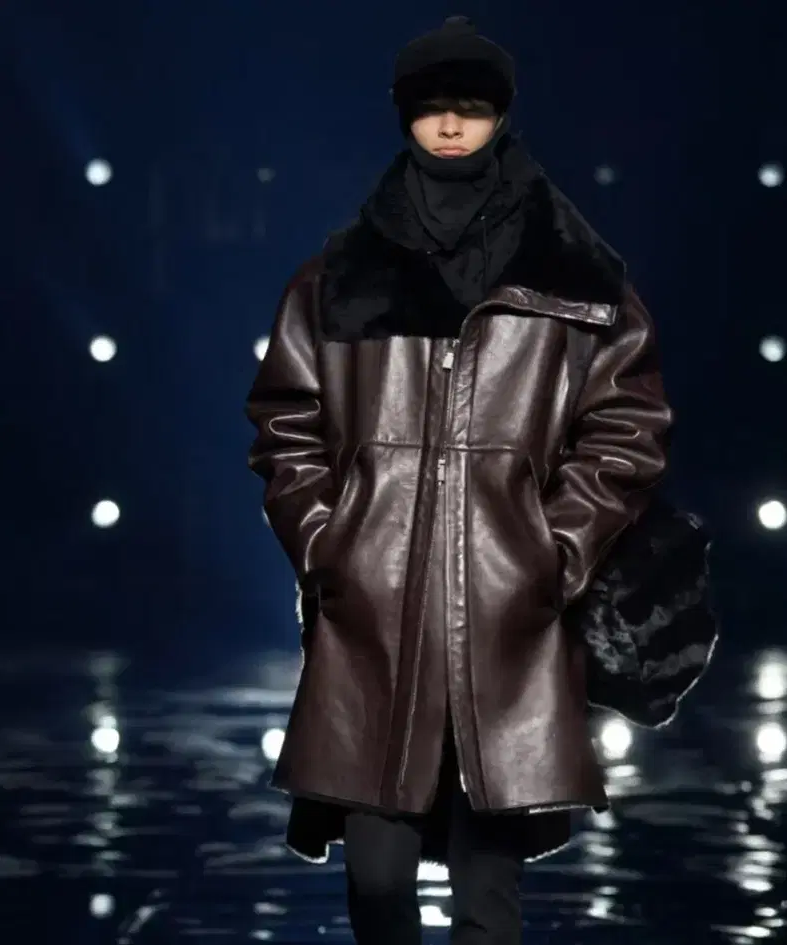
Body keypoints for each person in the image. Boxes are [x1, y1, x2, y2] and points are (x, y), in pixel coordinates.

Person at [245, 16, 673, 945]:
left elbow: (628, 424)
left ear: (501, 117)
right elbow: (285, 420)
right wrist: (329, 541)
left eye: (470, 108)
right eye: (432, 107)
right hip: (375, 616)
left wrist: (556, 550)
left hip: (504, 617)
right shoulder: (339, 275)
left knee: (488, 898)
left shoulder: (572, 272)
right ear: (404, 115)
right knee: (377, 879)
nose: (449, 126)